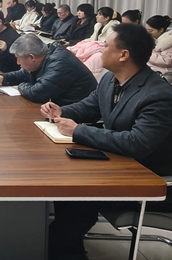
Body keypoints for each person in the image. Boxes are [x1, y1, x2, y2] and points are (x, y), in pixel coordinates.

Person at [41, 24, 172, 260]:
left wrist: (78, 131)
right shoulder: (110, 78)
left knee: (80, 192)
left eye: (106, 45)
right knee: (64, 179)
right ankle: (66, 247)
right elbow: (90, 106)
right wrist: (61, 111)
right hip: (116, 163)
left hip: (147, 177)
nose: (100, 48)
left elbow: (137, 143)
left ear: (123, 55)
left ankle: (56, 247)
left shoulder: (158, 94)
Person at [0, 34, 97, 105]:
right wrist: (5, 78)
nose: (17, 63)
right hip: (59, 107)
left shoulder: (59, 63)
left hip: (77, 114)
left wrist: (20, 86)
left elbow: (38, 94)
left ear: (32, 57)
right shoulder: (45, 55)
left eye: (18, 58)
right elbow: (26, 73)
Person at [145, 15, 172, 82]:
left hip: (163, 75)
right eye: (147, 30)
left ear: (161, 30)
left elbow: (166, 61)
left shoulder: (168, 42)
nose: (148, 33)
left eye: (151, 30)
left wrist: (146, 53)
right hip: (153, 72)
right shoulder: (154, 39)